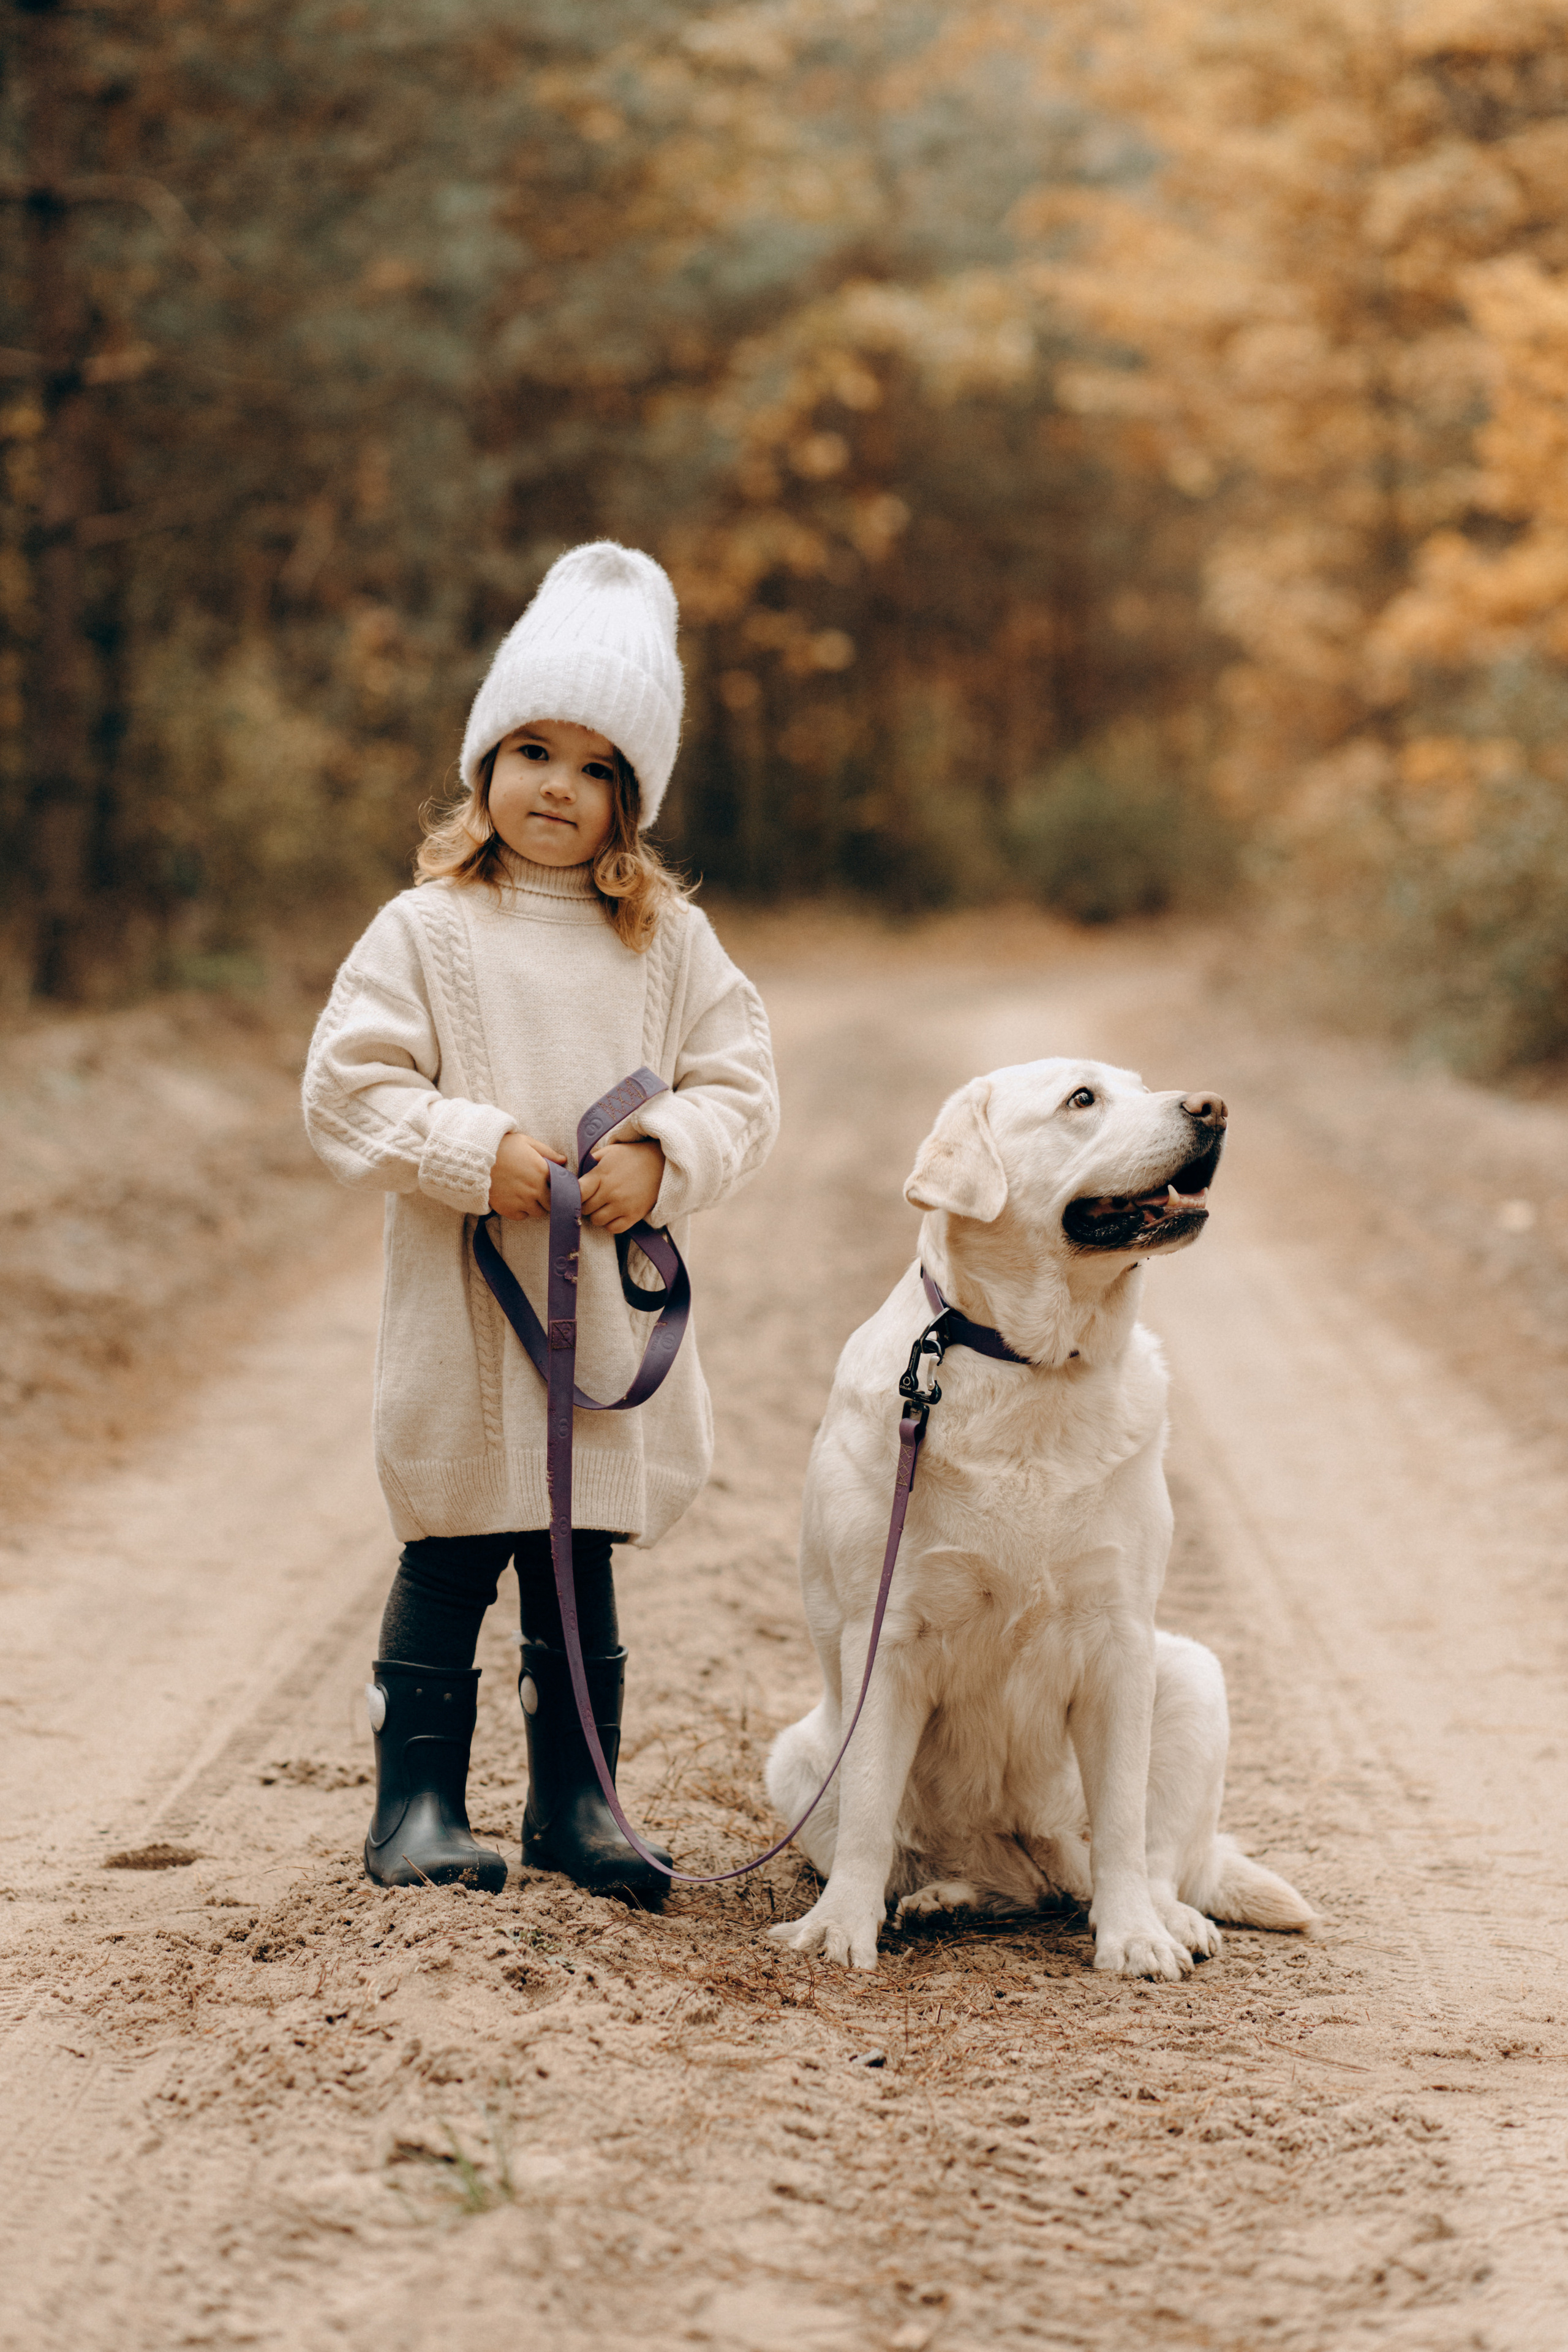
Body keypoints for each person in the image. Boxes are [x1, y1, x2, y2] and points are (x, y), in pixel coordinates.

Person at [303, 542, 780, 1902]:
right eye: (529, 750)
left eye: (592, 765)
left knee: (575, 1559)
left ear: (632, 798)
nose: (556, 786)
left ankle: (578, 1804)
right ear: (482, 767)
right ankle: (418, 1808)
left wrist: (661, 1153)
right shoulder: (424, 929)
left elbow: (741, 1085)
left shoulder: (669, 942)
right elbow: (346, 1091)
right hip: (468, 1295)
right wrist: (470, 1147)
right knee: (455, 1539)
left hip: (601, 1308)